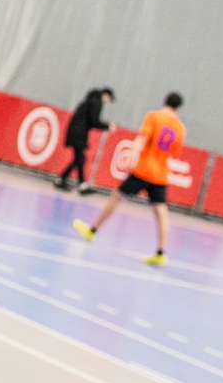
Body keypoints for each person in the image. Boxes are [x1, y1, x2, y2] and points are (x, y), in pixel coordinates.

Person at [74, 92, 186, 265]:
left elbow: (142, 138)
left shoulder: (154, 116)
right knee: (161, 212)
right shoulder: (180, 128)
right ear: (178, 108)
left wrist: (131, 155)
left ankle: (93, 230)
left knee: (116, 196)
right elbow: (175, 151)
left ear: (164, 100)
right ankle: (161, 252)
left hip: (143, 170)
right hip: (161, 173)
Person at [55, 85, 113, 191]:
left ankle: (69, 181)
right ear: (106, 95)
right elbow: (94, 121)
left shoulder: (90, 101)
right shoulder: (97, 102)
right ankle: (73, 182)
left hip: (75, 132)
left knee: (79, 159)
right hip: (78, 134)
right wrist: (107, 126)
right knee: (80, 159)